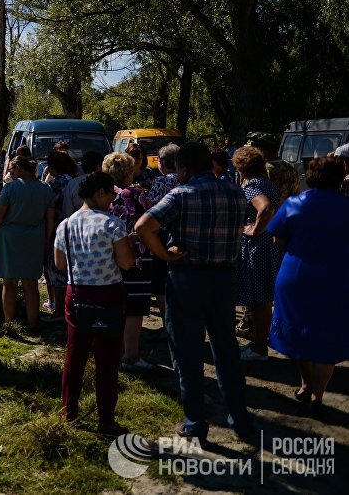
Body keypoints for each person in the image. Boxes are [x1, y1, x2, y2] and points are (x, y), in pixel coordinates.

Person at [135, 142, 253, 444]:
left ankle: (195, 424)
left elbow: (143, 226)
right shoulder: (235, 192)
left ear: (184, 169)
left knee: (187, 354)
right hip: (225, 280)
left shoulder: (181, 194)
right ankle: (240, 420)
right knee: (226, 351)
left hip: (187, 278)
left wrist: (163, 254)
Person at [267, 157, 349, 420]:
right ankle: (318, 396)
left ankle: (304, 384)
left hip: (296, 275)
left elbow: (278, 240)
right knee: (328, 336)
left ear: (311, 175)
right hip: (337, 277)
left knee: (299, 331)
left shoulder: (293, 204)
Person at [54, 171, 136, 434]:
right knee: (108, 360)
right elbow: (126, 262)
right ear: (100, 193)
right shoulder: (112, 225)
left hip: (76, 295)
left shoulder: (65, 225)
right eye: (111, 194)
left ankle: (69, 414)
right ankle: (105, 420)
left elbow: (59, 264)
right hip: (108, 295)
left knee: (74, 357)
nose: (113, 199)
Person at [0, 156, 55, 331]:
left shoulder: (11, 188)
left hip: (10, 237)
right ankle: (33, 323)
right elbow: (50, 218)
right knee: (31, 283)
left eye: (11, 169)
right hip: (35, 237)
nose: (9, 173)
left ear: (19, 168)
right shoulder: (45, 189)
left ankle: (9, 323)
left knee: (9, 282)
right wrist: (48, 239)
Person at [102, 153, 157, 371]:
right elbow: (151, 222)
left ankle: (110, 352)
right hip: (136, 257)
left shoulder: (103, 195)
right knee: (134, 308)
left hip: (108, 256)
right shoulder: (135, 196)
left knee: (113, 304)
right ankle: (131, 356)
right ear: (129, 171)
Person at [231, 146, 282, 361]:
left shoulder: (251, 186)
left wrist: (255, 229)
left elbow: (266, 208)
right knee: (264, 300)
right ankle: (258, 345)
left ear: (242, 167)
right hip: (270, 247)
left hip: (257, 248)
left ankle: (259, 349)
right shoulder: (268, 183)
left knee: (260, 301)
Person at [42, 150, 77, 321]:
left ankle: (59, 312)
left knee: (55, 271)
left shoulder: (55, 183)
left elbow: (48, 206)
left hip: (56, 228)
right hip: (75, 228)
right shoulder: (75, 180)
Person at [249, 133, 298, 202]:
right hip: (291, 205)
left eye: (257, 148)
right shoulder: (287, 165)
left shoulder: (267, 168)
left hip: (276, 207)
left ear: (264, 149)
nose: (255, 151)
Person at [62, 151, 105, 217]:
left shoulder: (72, 183)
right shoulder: (105, 182)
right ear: (99, 166)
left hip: (77, 223)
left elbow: (67, 211)